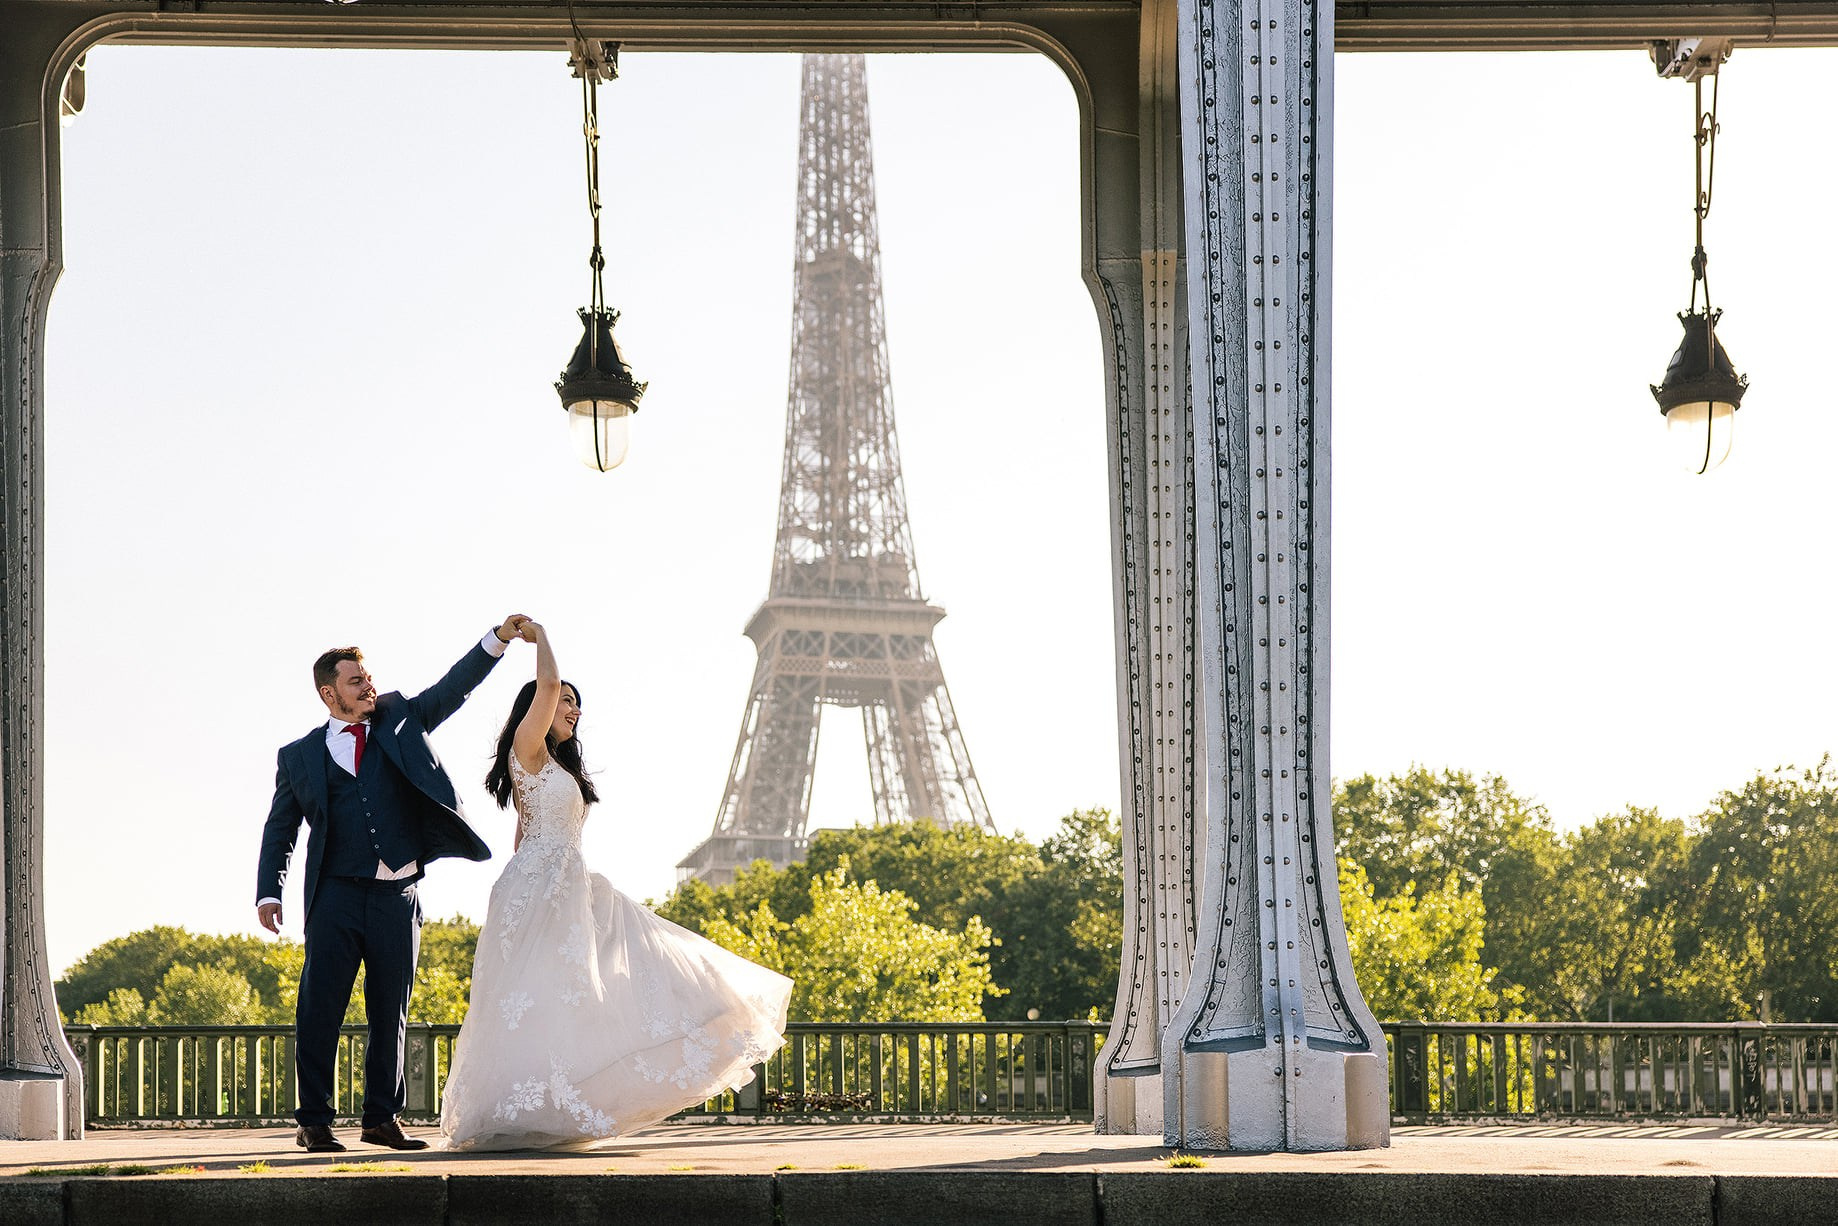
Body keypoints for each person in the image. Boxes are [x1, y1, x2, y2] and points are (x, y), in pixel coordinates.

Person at [439, 620, 791, 1151]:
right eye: (565, 703)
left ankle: (554, 1104)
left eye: (577, 705)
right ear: (537, 706)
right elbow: (549, 686)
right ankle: (520, 1108)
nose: (572, 709)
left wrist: (548, 882)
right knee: (531, 996)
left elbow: (524, 835)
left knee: (576, 992)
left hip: (559, 884)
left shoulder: (550, 766)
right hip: (542, 886)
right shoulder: (526, 747)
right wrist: (538, 635)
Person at [256, 616, 530, 1153]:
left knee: (391, 1012)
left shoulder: (401, 718)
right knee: (320, 1009)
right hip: (334, 894)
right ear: (328, 693)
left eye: (368, 677)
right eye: (356, 681)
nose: (368, 687)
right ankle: (313, 1121)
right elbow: (280, 827)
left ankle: (382, 1119)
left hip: (396, 894)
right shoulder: (299, 756)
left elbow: (454, 688)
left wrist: (497, 639)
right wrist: (270, 891)